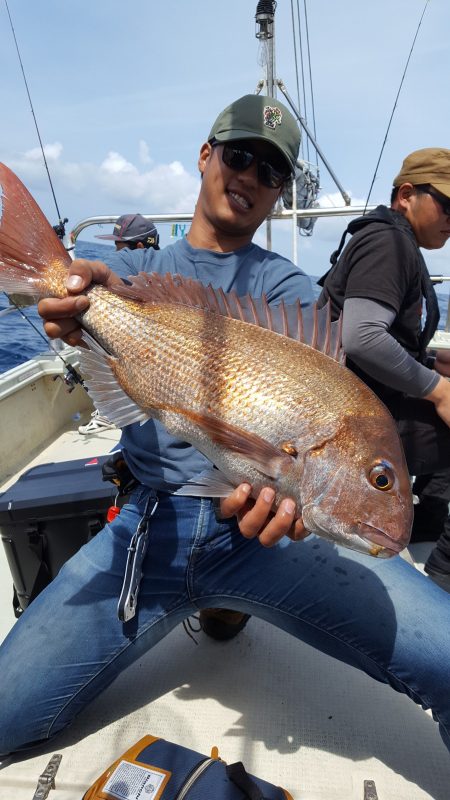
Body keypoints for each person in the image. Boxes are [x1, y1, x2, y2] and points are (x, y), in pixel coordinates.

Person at [1, 97, 450, 762]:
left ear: (279, 191)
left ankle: (228, 605)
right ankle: (215, 610)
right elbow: (85, 308)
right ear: (206, 155)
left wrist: (301, 508)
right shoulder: (135, 280)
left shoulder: (295, 294)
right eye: (238, 155)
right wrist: (68, 300)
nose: (249, 175)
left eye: (270, 171)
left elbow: (293, 461)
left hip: (267, 545)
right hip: (147, 529)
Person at [317, 147, 450, 592]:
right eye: (448, 205)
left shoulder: (394, 240)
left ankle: (427, 523)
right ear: (407, 195)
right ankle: (442, 579)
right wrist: (437, 390)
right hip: (351, 421)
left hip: (361, 399)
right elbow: (363, 338)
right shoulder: (389, 242)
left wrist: (431, 362)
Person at [78, 214, 161, 435]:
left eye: (120, 247)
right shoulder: (169, 275)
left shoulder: (129, 263)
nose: (117, 252)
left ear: (140, 247)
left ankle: (107, 411)